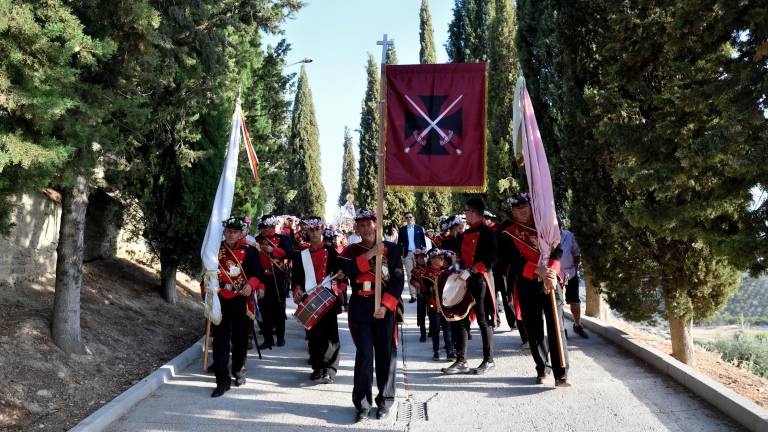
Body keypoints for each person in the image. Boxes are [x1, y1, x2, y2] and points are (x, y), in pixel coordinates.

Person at [338, 210, 404, 422]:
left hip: (384, 308)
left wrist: (385, 305)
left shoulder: (392, 250)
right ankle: (362, 404)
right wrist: (370, 254)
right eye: (361, 225)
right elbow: (349, 270)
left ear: (377, 225)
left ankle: (385, 401)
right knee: (365, 355)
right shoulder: (350, 250)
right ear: (356, 228)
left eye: (369, 224)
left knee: (386, 354)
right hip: (360, 306)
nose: (365, 229)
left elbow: (397, 280)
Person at [499, 192, 570, 387]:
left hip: (551, 280)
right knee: (534, 328)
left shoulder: (547, 226)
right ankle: (542, 368)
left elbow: (558, 249)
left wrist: (553, 272)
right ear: (512, 211)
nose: (521, 212)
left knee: (557, 327)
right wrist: (538, 270)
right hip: (527, 281)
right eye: (517, 209)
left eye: (524, 207)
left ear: (532, 207)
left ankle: (561, 372)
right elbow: (512, 259)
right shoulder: (508, 232)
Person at [206, 216, 265, 397]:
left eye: (234, 232)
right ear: (224, 232)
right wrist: (206, 292)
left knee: (240, 339)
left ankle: (238, 370)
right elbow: (207, 271)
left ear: (241, 233)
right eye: (228, 231)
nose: (231, 234)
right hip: (220, 297)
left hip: (241, 299)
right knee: (220, 340)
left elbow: (258, 273)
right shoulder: (216, 249)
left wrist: (251, 285)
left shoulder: (250, 251)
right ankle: (222, 381)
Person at [442, 198, 497, 375]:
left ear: (473, 212)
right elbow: (459, 256)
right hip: (465, 280)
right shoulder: (465, 234)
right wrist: (457, 268)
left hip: (480, 280)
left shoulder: (487, 232)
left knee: (482, 320)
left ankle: (489, 360)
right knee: (461, 319)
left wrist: (472, 270)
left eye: (466, 211)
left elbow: (491, 258)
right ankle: (461, 360)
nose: (464, 214)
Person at [291, 217, 342, 384]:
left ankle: (330, 369)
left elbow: (340, 273)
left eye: (317, 229)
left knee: (330, 335)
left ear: (322, 230)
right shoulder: (301, 255)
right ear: (307, 231)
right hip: (309, 297)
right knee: (313, 335)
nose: (314, 233)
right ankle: (317, 367)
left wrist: (340, 283)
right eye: (311, 230)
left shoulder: (331, 251)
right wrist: (297, 289)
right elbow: (296, 277)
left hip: (327, 297)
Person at [255, 214, 293, 349]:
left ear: (272, 226)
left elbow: (289, 253)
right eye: (262, 227)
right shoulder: (257, 240)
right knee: (264, 308)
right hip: (262, 278)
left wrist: (273, 250)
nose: (263, 230)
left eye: (266, 227)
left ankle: (280, 336)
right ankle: (267, 338)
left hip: (277, 276)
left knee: (279, 307)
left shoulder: (283, 238)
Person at [422, 248, 455, 361]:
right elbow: (424, 291)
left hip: (445, 305)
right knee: (435, 329)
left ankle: (450, 351)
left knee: (447, 328)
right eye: (438, 257)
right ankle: (436, 351)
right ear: (431, 260)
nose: (442, 259)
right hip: (433, 306)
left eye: (442, 257)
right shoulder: (426, 273)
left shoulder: (446, 272)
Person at [559, 218, 588, 338]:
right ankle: (561, 329)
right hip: (556, 275)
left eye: (558, 224)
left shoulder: (569, 235)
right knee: (558, 304)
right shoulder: (547, 237)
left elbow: (576, 253)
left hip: (570, 273)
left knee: (575, 302)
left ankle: (577, 325)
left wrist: (575, 269)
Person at [398, 211, 427, 304]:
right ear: (405, 219)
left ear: (413, 218)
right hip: (407, 254)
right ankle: (413, 295)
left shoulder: (419, 228)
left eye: (410, 217)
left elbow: (423, 242)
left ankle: (421, 293)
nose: (409, 219)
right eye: (407, 217)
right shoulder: (402, 230)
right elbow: (399, 243)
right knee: (410, 274)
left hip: (418, 254)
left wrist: (422, 250)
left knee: (419, 274)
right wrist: (400, 255)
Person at [409, 249, 429, 342]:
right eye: (420, 258)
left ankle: (432, 330)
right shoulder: (415, 270)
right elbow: (411, 280)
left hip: (430, 295)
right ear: (416, 259)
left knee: (431, 314)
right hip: (421, 294)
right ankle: (423, 333)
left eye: (423, 257)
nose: (422, 259)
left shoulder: (429, 268)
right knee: (421, 314)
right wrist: (415, 283)